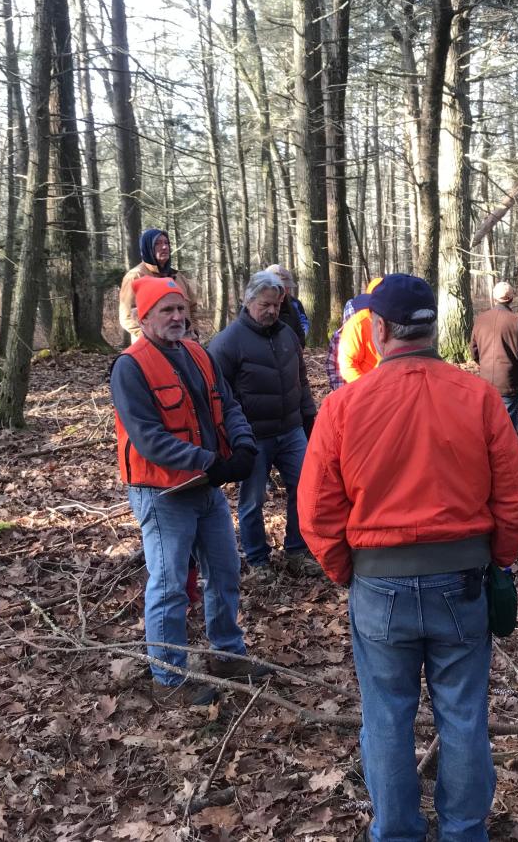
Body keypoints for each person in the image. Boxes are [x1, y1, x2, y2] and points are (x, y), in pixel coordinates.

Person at [298, 274, 518, 842]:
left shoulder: (344, 405)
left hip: (380, 588)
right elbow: (515, 501)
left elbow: (316, 511)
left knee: (386, 718)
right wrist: (495, 560)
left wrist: (344, 572)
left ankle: (398, 832)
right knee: (463, 717)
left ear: (378, 330)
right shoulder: (477, 395)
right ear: (432, 327)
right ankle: (463, 832)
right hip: (463, 584)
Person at [109, 276, 266, 706]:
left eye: (181, 309)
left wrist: (243, 443)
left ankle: (228, 654)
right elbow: (148, 438)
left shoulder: (197, 353)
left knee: (226, 569)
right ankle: (169, 676)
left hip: (205, 487)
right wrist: (210, 462)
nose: (178, 317)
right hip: (161, 493)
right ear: (145, 319)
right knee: (170, 584)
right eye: (167, 311)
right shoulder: (131, 366)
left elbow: (227, 405)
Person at [207, 271, 318, 578]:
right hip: (253, 436)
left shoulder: (287, 335)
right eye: (265, 305)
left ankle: (297, 550)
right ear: (248, 301)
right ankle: (257, 559)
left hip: (291, 429)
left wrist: (309, 419)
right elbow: (217, 396)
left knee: (305, 488)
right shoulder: (227, 343)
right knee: (253, 499)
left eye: (277, 305)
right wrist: (231, 439)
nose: (271, 311)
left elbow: (302, 380)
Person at [470, 281, 518, 433]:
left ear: (494, 298)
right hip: (510, 382)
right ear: (512, 298)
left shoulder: (481, 319)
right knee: (508, 428)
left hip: (486, 380)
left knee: (488, 424)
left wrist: (485, 364)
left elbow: (474, 352)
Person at [118, 228, 201, 342]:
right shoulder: (135, 276)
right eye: (158, 243)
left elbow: (192, 307)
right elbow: (127, 317)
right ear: (147, 248)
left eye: (166, 243)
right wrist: (153, 339)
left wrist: (193, 330)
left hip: (185, 344)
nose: (164, 247)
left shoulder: (178, 277)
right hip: (151, 348)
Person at [333, 276, 384, 386]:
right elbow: (348, 364)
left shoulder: (398, 321)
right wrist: (366, 387)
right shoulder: (358, 323)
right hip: (366, 387)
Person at [265, 263, 310, 346]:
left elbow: (303, 323)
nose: (286, 290)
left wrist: (301, 337)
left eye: (288, 287)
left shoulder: (294, 304)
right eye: (283, 286)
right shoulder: (254, 308)